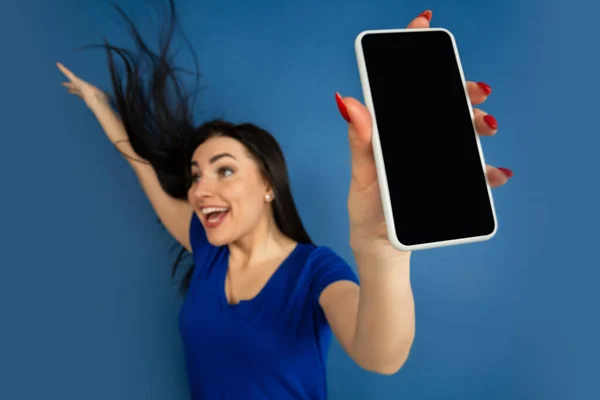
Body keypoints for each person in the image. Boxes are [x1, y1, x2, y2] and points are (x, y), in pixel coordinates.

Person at [57, 1, 512, 398]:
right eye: (195, 176)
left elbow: (381, 355)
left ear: (268, 183)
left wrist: (381, 251)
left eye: (225, 170)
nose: (199, 190)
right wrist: (99, 103)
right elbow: (144, 169)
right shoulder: (207, 249)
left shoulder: (314, 272)